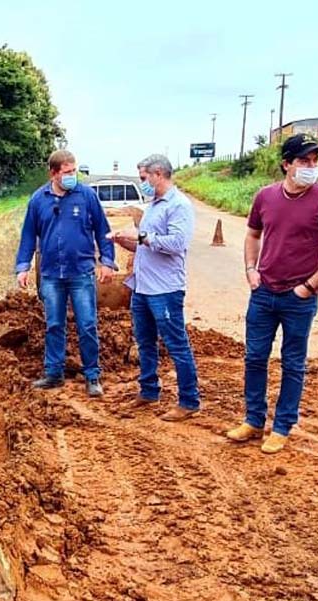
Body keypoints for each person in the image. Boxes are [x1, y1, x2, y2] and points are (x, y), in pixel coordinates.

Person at [226, 133, 318, 454]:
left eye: (315, 161)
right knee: (255, 358)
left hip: (299, 299)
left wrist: (309, 286)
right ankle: (254, 420)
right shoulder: (265, 197)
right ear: (286, 164)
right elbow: (253, 235)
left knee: (293, 363)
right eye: (304, 161)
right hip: (263, 293)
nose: (311, 166)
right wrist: (250, 270)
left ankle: (282, 426)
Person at [15, 149, 117, 397]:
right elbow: (28, 235)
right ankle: (53, 373)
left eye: (75, 171)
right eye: (68, 172)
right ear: (53, 173)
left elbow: (103, 230)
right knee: (54, 324)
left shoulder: (87, 196)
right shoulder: (38, 200)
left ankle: (92, 375)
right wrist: (23, 266)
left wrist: (107, 261)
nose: (73, 176)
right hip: (51, 274)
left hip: (81, 272)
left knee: (87, 324)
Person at [109, 154, 201, 421]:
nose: (143, 183)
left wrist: (140, 236)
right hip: (143, 287)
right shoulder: (152, 206)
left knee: (176, 344)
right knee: (144, 341)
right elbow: (146, 245)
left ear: (158, 174)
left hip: (165, 289)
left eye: (143, 177)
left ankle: (189, 400)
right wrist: (125, 241)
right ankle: (149, 390)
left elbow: (176, 244)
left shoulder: (179, 205)